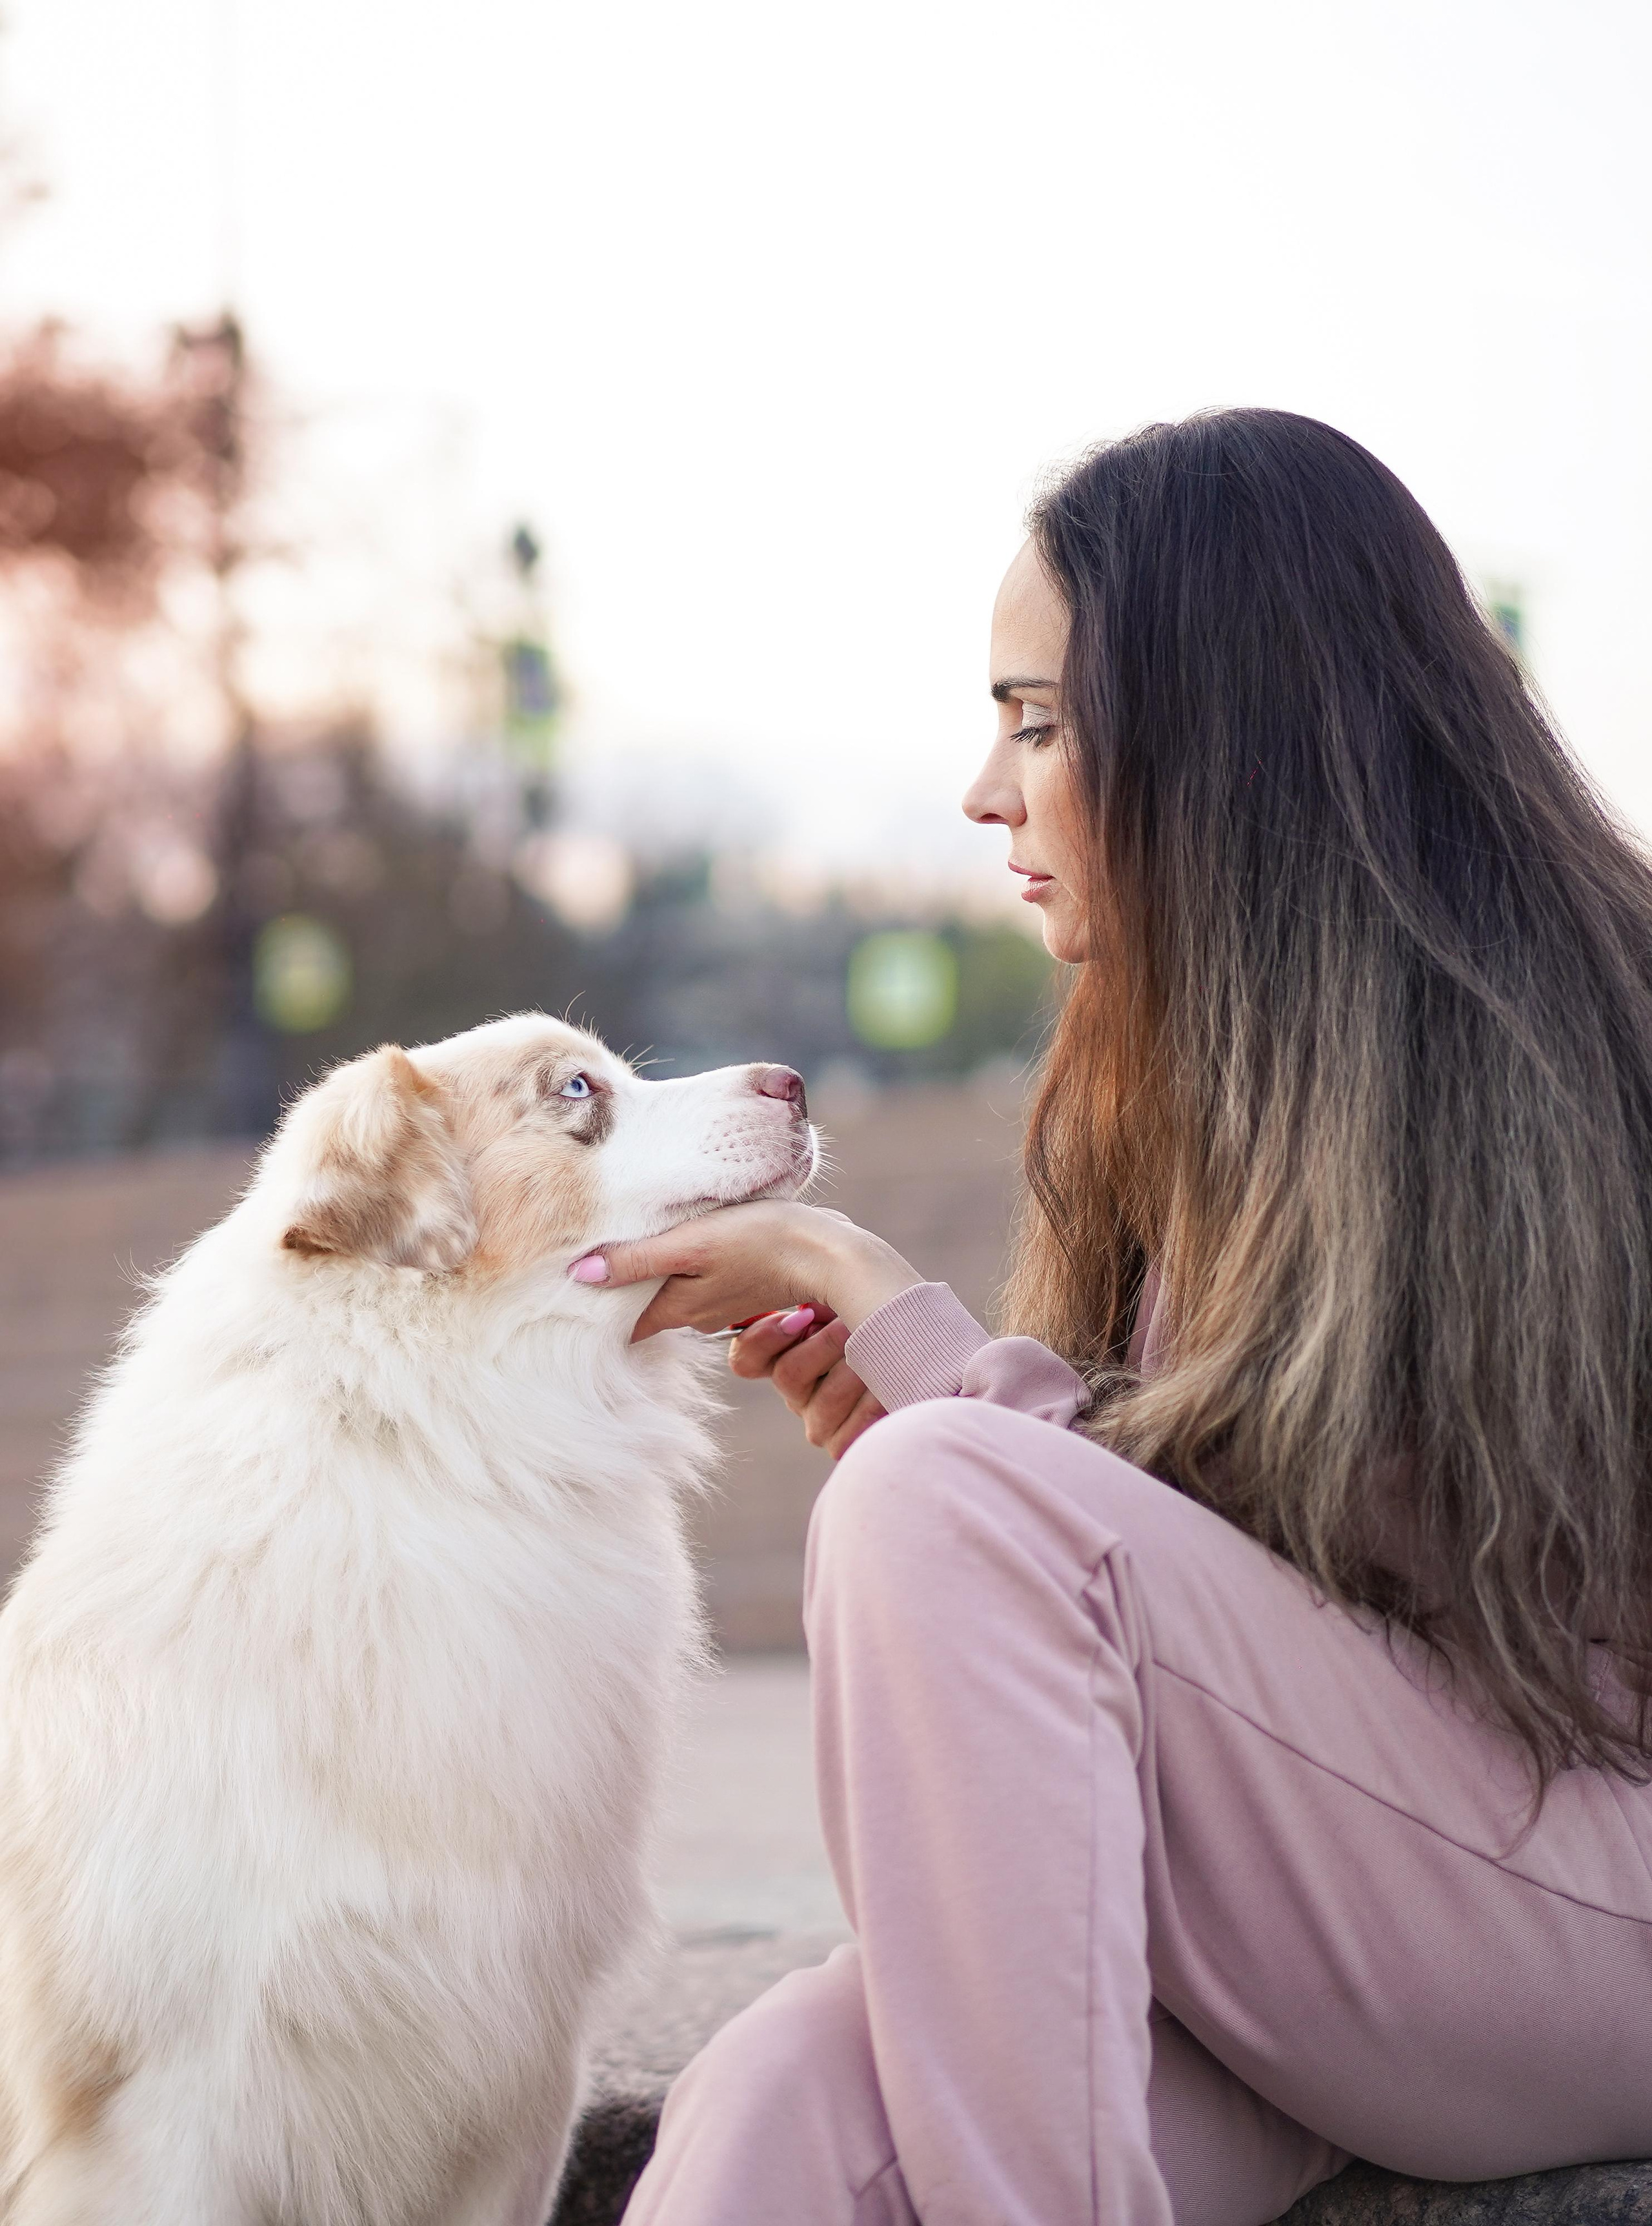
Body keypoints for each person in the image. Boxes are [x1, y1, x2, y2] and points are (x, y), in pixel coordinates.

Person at [579, 410, 1652, 2225]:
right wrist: (943, 1418)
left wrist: (894, 1329)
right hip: (1326, 1927)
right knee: (779, 2097)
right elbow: (1187, 1564)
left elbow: (1354, 1558)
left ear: (1223, 732)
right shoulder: (1175, 1079)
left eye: (1038, 718)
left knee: (938, 1505)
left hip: (1579, 1899)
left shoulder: (1541, 1052)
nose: (989, 791)